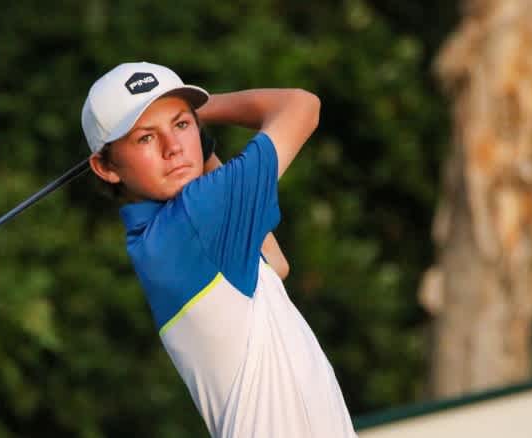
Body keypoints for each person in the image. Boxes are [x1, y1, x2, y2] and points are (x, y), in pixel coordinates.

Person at [81, 61, 357, 438]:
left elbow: (275, 264)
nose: (173, 148)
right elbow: (301, 106)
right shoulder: (197, 218)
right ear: (105, 166)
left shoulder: (159, 238)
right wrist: (201, 110)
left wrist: (201, 142)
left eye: (180, 125)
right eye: (146, 137)